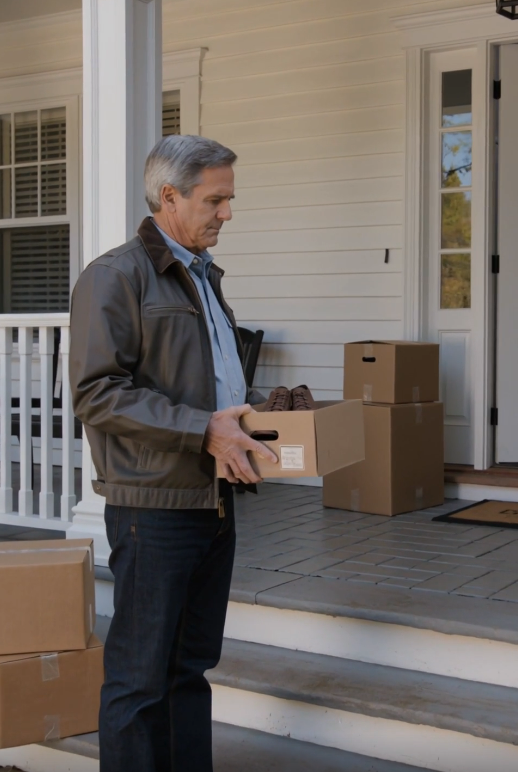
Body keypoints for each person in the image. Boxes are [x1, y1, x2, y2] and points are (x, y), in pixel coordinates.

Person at [70, 134, 275, 772]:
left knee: (190, 667)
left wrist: (258, 413)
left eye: (229, 199)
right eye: (215, 200)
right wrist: (202, 429)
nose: (227, 213)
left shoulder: (203, 276)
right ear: (169, 197)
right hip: (154, 505)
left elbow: (209, 379)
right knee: (139, 675)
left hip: (213, 498)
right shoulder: (115, 276)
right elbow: (96, 393)